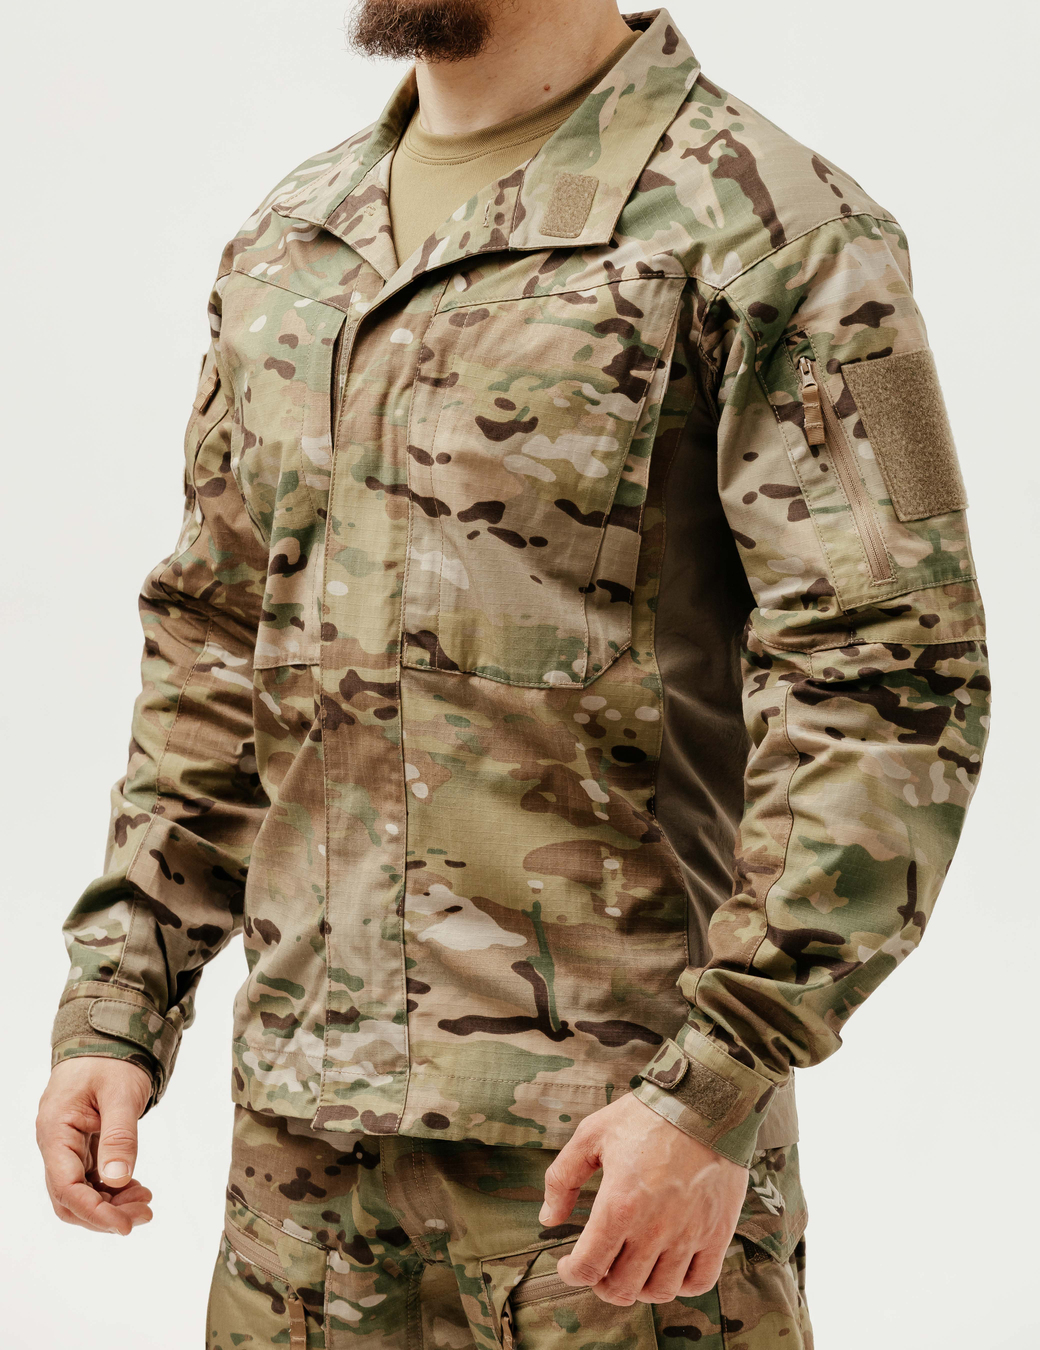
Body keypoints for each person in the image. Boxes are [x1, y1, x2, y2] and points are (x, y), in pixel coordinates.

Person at [35, 2, 989, 1345]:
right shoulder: (294, 241)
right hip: (300, 1190)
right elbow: (213, 644)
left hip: (613, 1180)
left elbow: (892, 676)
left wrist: (715, 1082)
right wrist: (119, 1005)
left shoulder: (773, 231)